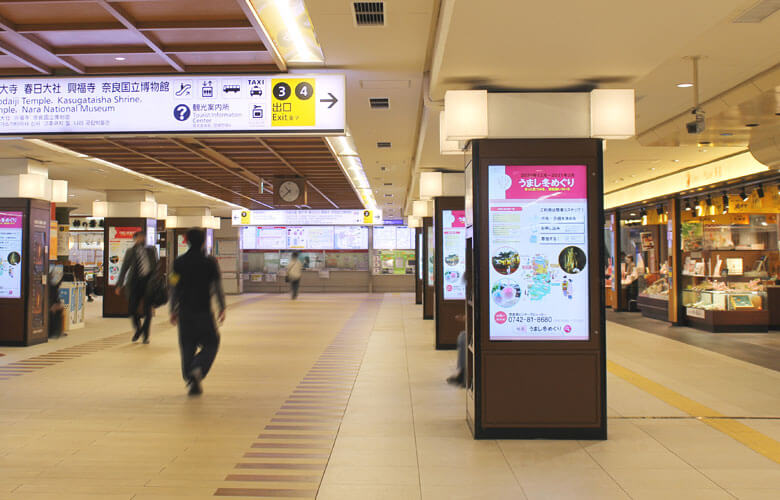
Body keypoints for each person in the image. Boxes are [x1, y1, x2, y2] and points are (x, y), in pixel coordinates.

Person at [169, 228, 226, 396]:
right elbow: (217, 286)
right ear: (203, 242)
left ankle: (190, 376)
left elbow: (174, 287)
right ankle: (197, 368)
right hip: (203, 312)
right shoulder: (209, 262)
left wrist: (173, 309)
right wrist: (222, 306)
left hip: (185, 312)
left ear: (186, 241)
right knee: (211, 343)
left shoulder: (178, 262)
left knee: (187, 346)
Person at [116, 231, 158, 343]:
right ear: (135, 239)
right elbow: (124, 268)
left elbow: (156, 266)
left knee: (147, 311)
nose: (141, 239)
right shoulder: (130, 252)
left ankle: (146, 336)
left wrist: (155, 280)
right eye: (139, 237)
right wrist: (119, 284)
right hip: (134, 282)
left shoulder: (151, 250)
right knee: (132, 309)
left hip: (148, 282)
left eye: (143, 237)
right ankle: (138, 329)